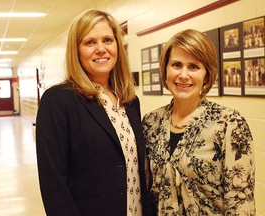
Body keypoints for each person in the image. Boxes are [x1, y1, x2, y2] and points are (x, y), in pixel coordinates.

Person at [36, 9, 153, 216]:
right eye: (90, 42)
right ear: (76, 50)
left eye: (108, 40)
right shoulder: (59, 100)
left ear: (118, 45)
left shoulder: (130, 101)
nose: (101, 49)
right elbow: (53, 184)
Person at [142, 29, 255, 215]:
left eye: (193, 66)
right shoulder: (150, 123)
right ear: (165, 70)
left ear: (207, 75)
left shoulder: (228, 124)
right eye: (176, 65)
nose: (183, 75)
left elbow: (241, 202)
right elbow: (148, 191)